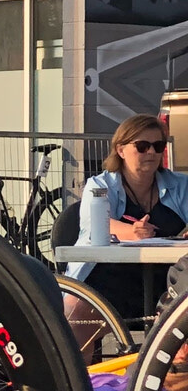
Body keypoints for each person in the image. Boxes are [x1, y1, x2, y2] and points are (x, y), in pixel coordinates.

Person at [67, 113, 188, 324]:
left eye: (158, 146)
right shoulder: (99, 185)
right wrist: (131, 232)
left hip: (169, 281)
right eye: (142, 146)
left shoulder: (180, 184)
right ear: (120, 150)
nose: (151, 152)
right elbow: (95, 225)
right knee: (72, 317)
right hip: (110, 278)